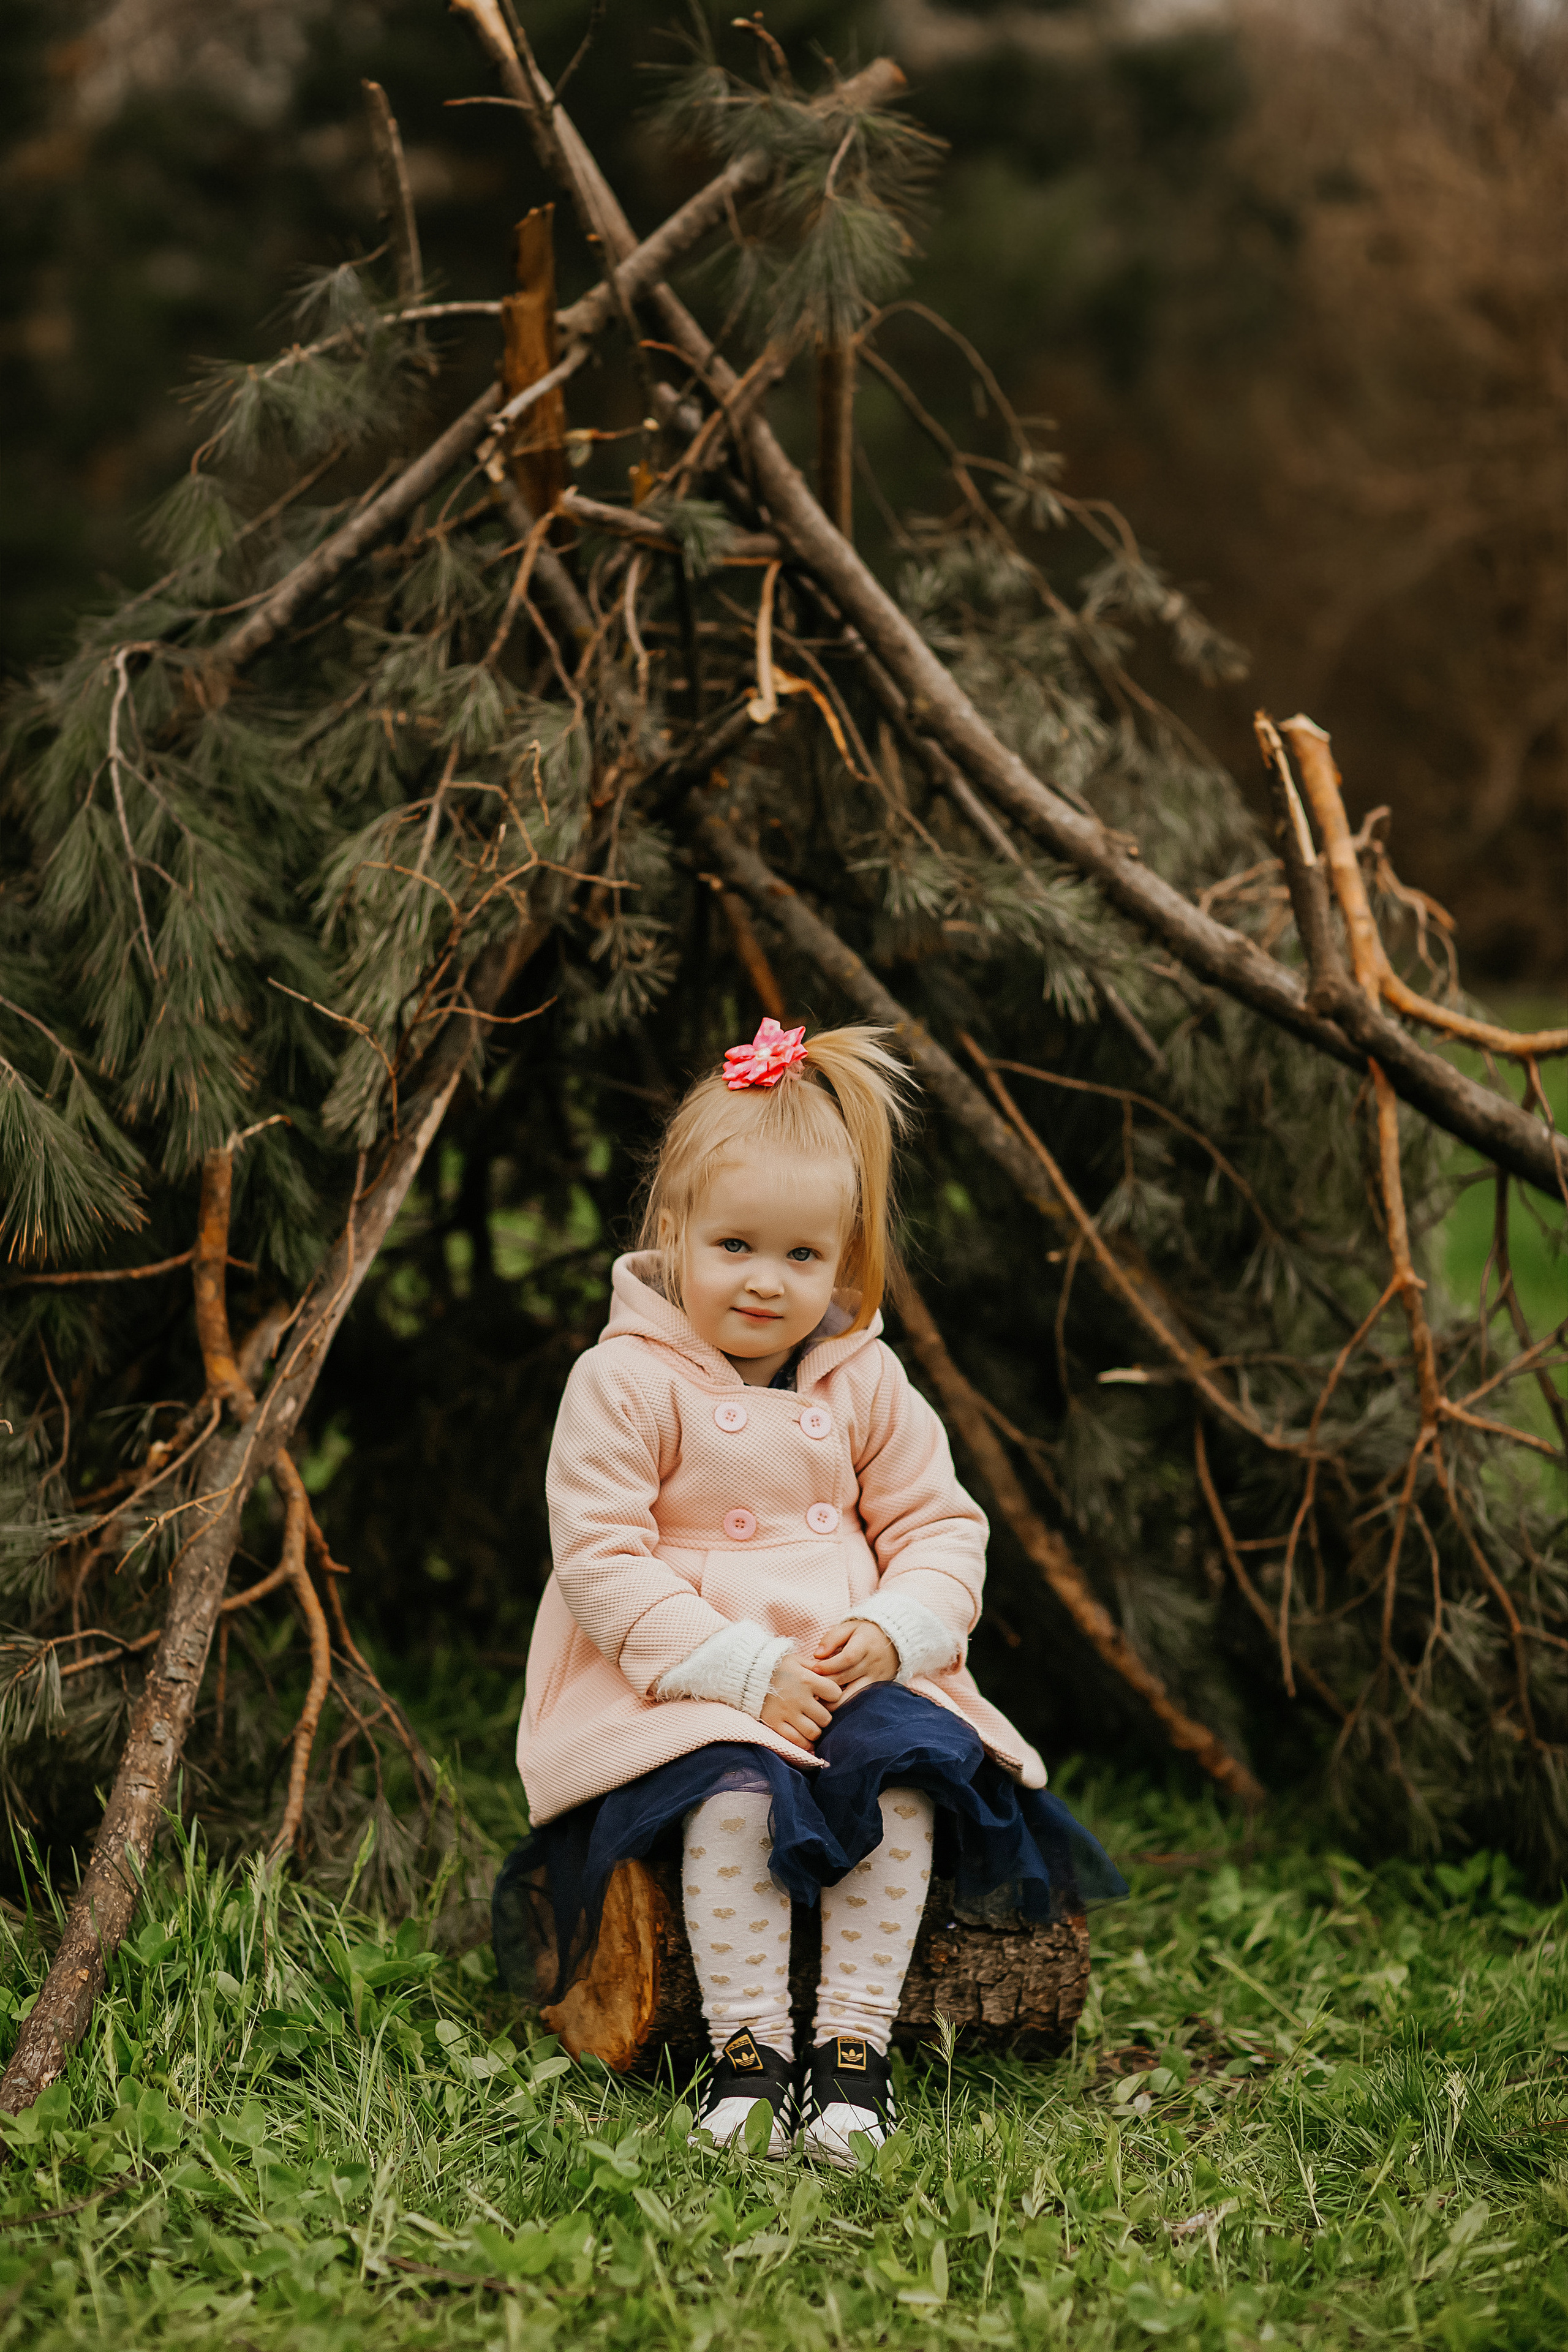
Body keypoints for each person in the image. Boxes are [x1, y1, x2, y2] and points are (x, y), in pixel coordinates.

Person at [502, 1017, 1123, 2165]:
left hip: (844, 1669)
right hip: (682, 1680)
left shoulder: (865, 1379)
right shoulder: (624, 1380)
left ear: (841, 1261)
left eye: (801, 1257)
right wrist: (742, 1670)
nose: (765, 1281)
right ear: (673, 1232)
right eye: (735, 1245)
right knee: (738, 1800)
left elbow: (940, 1525)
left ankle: (851, 2051)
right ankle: (750, 2055)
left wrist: (894, 1629)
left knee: (901, 1787)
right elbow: (600, 1558)